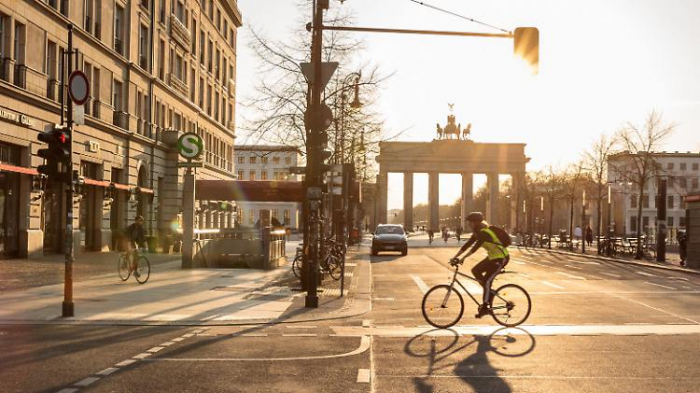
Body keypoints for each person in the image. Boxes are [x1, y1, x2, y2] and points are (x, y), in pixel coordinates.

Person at [450, 212, 509, 318]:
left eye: (470, 222)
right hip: (492, 257)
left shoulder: (484, 233)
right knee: (475, 270)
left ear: (476, 222)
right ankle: (489, 292)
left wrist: (463, 258)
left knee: (486, 281)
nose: (468, 224)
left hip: (501, 258)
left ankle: (485, 307)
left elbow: (475, 247)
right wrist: (455, 256)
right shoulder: (477, 232)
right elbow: (467, 245)